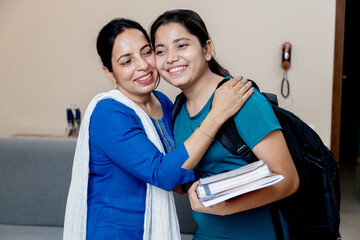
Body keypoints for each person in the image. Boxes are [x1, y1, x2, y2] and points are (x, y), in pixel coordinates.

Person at [63, 18, 253, 240]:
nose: (143, 65)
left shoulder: (162, 102)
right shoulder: (108, 112)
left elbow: (180, 166)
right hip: (113, 232)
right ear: (109, 73)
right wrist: (218, 114)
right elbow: (161, 173)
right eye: (127, 62)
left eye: (146, 52)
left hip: (152, 229)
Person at [150, 9, 299, 240]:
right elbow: (181, 181)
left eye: (181, 45)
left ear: (207, 50)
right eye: (161, 51)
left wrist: (226, 207)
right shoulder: (176, 110)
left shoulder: (243, 99)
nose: (170, 58)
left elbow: (288, 181)